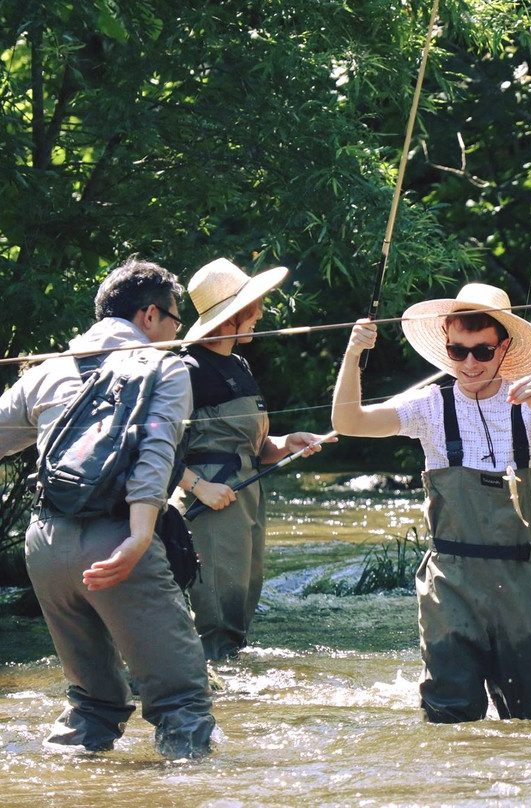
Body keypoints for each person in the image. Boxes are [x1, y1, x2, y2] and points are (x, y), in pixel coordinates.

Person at [0, 256, 215, 759]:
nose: (177, 332)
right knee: (181, 700)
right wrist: (139, 537)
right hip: (119, 539)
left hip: (46, 546)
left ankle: (62, 785)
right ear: (148, 316)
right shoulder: (167, 369)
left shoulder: (47, 370)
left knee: (91, 704)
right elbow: (155, 456)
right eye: (175, 320)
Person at [331, 282, 531, 723]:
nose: (470, 363)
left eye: (481, 351)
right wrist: (352, 356)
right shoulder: (428, 406)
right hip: (450, 585)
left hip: (522, 582)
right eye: (458, 352)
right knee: (449, 720)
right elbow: (349, 421)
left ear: (504, 349)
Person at [176, 257, 334, 661]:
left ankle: (231, 701)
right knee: (214, 612)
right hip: (210, 501)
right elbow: (153, 446)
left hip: (247, 496)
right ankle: (203, 699)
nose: (261, 313)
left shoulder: (239, 363)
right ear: (231, 317)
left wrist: (284, 444)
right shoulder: (185, 369)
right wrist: (199, 488)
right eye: (253, 306)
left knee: (240, 604)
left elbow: (251, 445)